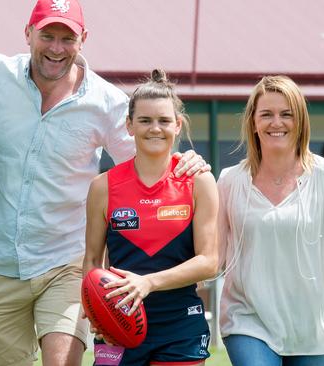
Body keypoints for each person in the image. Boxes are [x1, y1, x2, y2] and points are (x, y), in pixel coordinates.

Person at [0, 1, 209, 364]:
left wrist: (184, 162)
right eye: (47, 35)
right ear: (28, 34)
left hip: (64, 263)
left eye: (67, 37)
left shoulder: (104, 101)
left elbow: (146, 162)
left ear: (83, 40)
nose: (56, 47)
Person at [217, 75, 324, 366]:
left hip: (314, 326)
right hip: (247, 318)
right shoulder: (230, 181)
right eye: (266, 114)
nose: (276, 122)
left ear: (301, 121)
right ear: (253, 122)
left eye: (286, 114)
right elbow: (212, 256)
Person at [83, 69, 219, 365]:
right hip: (117, 323)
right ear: (129, 125)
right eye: (144, 120)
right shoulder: (103, 187)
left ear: (178, 125)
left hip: (181, 325)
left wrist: (149, 283)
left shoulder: (199, 182)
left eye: (163, 120)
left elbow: (209, 261)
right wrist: (94, 310)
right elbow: (92, 261)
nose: (154, 129)